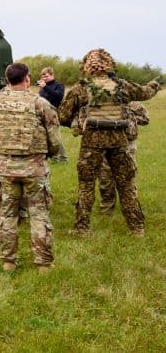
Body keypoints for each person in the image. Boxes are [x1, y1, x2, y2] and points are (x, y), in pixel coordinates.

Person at [58, 48, 161, 237]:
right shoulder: (122, 86)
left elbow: (63, 116)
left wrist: (77, 120)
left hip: (92, 143)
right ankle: (137, 228)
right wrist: (155, 84)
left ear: (87, 66)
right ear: (109, 64)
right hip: (119, 140)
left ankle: (82, 229)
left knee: (87, 184)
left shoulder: (81, 88)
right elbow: (145, 92)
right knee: (126, 184)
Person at [0, 63, 63, 272]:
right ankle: (43, 265)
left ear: (7, 80)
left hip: (7, 168)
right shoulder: (40, 103)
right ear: (27, 78)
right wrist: (49, 154)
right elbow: (54, 139)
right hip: (34, 169)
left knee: (7, 215)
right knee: (39, 215)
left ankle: (8, 262)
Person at [98, 101, 149, 215]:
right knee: (105, 178)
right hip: (105, 145)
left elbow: (145, 119)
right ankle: (106, 209)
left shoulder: (132, 102)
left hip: (127, 145)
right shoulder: (100, 101)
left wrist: (131, 118)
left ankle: (132, 208)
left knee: (127, 178)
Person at [37, 67, 69, 163]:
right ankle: (54, 158)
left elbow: (58, 96)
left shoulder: (59, 85)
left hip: (54, 113)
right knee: (46, 137)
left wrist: (45, 87)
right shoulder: (42, 87)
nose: (45, 78)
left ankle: (63, 158)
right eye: (43, 76)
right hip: (42, 114)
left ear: (52, 75)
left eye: (46, 76)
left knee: (55, 137)